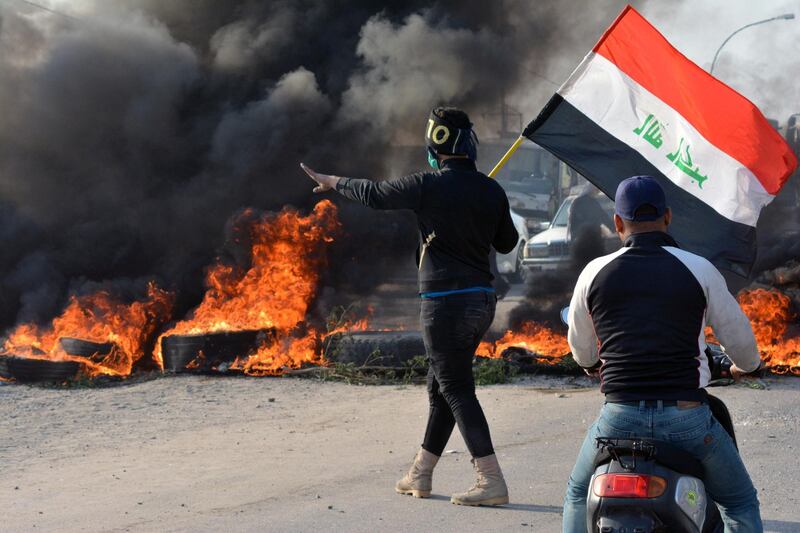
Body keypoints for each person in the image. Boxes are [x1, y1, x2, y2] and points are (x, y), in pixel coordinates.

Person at [301, 106, 518, 506]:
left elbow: (374, 194)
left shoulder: (427, 185)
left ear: (435, 147)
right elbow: (507, 243)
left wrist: (333, 181)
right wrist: (482, 211)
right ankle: (421, 473)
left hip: (445, 304)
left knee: (454, 387)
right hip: (482, 302)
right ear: (470, 145)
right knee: (442, 387)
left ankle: (490, 479)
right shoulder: (491, 189)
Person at [564, 176, 763, 532]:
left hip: (618, 419)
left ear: (618, 223)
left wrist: (592, 363)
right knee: (739, 501)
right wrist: (743, 367)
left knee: (578, 495)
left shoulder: (593, 273)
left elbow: (581, 350)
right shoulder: (698, 268)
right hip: (688, 421)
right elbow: (742, 344)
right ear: (668, 217)